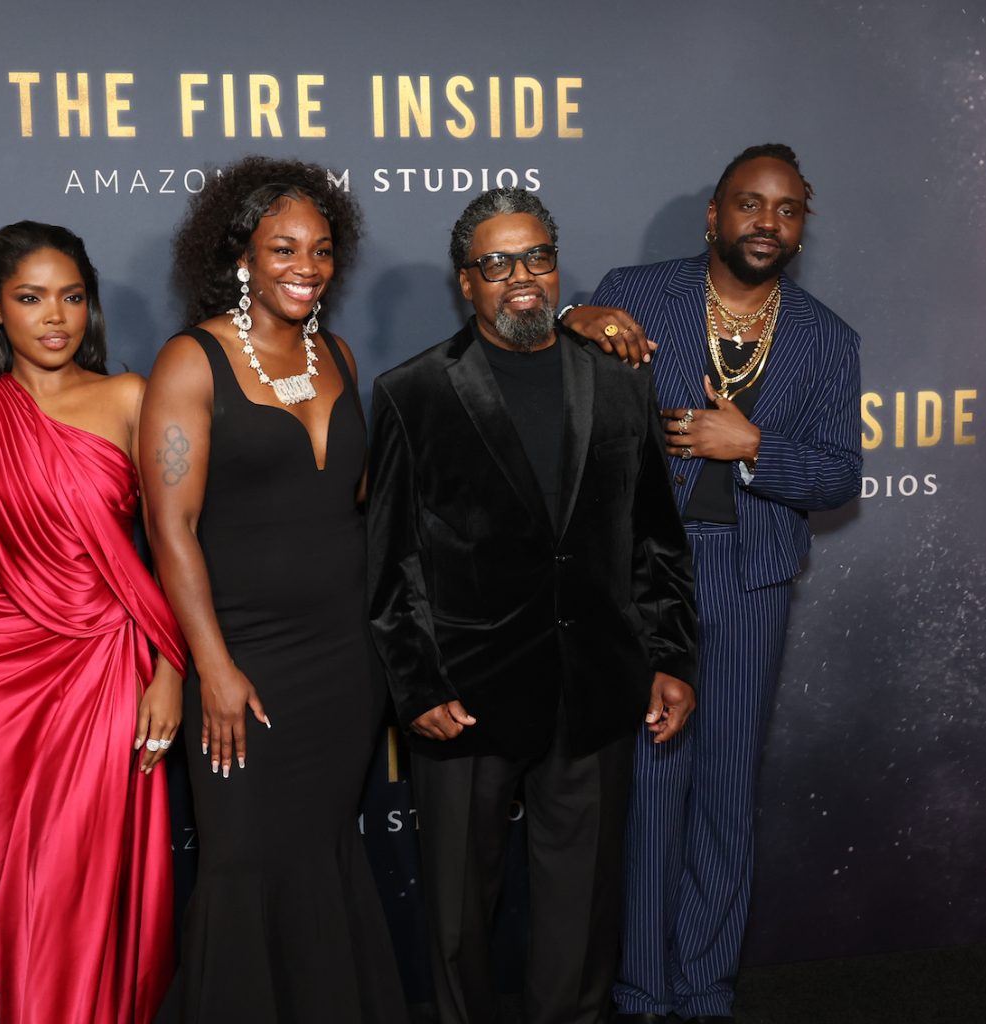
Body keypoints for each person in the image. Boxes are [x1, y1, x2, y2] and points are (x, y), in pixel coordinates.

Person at [365, 186, 699, 1024]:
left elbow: (656, 536)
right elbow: (391, 564)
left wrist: (669, 656)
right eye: (496, 262)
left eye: (537, 257)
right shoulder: (415, 393)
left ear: (557, 266)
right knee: (456, 924)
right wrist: (418, 689)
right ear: (465, 282)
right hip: (466, 697)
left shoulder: (619, 380)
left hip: (595, 688)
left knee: (581, 920)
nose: (521, 277)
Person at [567, 143, 862, 1024]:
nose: (766, 222)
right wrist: (574, 320)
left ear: (801, 225)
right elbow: (562, 396)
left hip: (749, 577)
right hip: (644, 572)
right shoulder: (638, 291)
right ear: (714, 216)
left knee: (725, 790)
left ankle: (703, 989)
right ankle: (642, 989)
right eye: (749, 204)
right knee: (654, 781)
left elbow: (840, 475)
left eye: (785, 209)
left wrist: (754, 449)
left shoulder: (827, 337)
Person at [140, 156, 408, 1023]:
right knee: (243, 863)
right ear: (241, 256)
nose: (306, 264)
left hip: (346, 660)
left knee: (325, 853)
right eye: (283, 247)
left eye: (322, 249)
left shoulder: (339, 353)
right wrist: (211, 666)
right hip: (247, 658)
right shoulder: (192, 359)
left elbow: (357, 507)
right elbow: (171, 530)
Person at [0, 222, 187, 1024]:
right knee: (18, 890)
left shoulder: (129, 398)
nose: (56, 317)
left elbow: (175, 546)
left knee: (87, 887)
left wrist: (171, 670)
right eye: (31, 298)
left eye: (73, 297)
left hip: (111, 669)